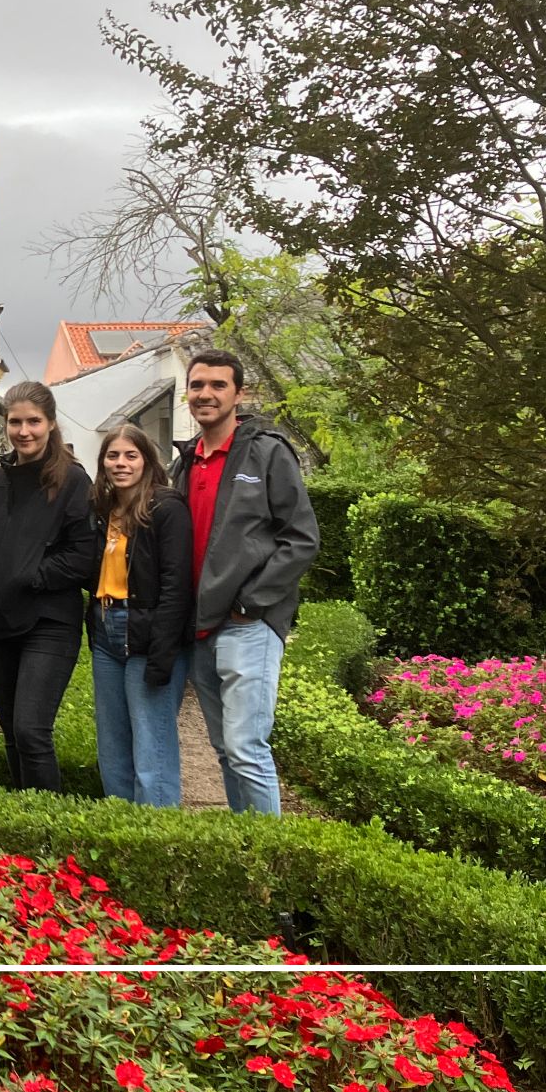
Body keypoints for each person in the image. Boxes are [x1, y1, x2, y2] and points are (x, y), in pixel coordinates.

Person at [171, 348, 320, 815]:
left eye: (218, 385)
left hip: (247, 625)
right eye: (197, 385)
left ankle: (271, 852)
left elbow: (302, 538)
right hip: (200, 627)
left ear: (239, 394)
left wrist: (251, 602)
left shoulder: (267, 452)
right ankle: (244, 843)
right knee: (223, 748)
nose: (206, 394)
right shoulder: (185, 462)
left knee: (246, 748)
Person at [0, 382, 98, 792]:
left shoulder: (72, 480)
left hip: (49, 622)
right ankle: (23, 819)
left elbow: (84, 555)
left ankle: (47, 824)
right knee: (11, 733)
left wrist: (28, 576)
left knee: (31, 730)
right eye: (15, 422)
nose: (23, 431)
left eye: (33, 422)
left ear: (51, 424)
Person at [87, 422, 194, 807]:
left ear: (147, 461)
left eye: (130, 456)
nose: (121, 463)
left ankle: (158, 831)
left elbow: (176, 585)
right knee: (112, 744)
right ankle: (122, 826)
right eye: (113, 456)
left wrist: (164, 653)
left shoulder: (167, 508)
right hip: (105, 633)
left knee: (152, 745)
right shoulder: (103, 510)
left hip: (148, 636)